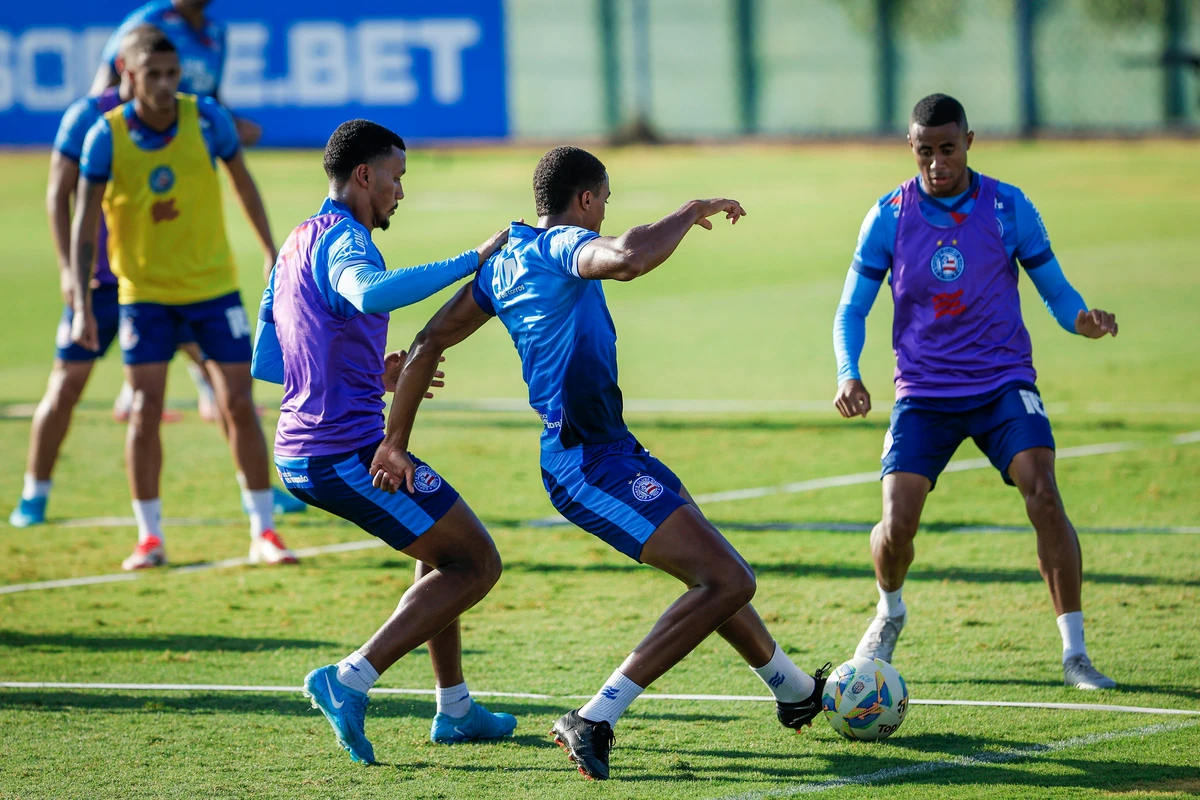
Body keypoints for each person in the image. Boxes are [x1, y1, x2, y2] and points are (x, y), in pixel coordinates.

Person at [375, 146, 830, 781]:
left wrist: (395, 442)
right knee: (727, 579)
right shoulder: (560, 244)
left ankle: (794, 690)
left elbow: (426, 342)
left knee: (711, 565)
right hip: (586, 462)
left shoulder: (502, 263)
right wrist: (692, 209)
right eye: (604, 201)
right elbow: (628, 258)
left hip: (608, 448)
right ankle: (595, 717)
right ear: (585, 200)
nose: (604, 213)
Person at [831, 94, 1120, 690]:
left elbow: (1056, 290)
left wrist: (1081, 320)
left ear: (968, 140)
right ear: (911, 149)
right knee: (897, 522)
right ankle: (890, 611)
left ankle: (1075, 653)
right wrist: (848, 372)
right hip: (924, 392)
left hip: (1002, 383)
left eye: (947, 149)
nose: (937, 163)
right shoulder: (887, 215)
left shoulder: (1009, 207)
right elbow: (851, 309)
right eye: (924, 152)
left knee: (1042, 490)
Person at [250, 119, 516, 763]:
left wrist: (372, 372)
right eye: (396, 176)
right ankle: (350, 680)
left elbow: (267, 357)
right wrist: (473, 259)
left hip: (306, 447)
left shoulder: (294, 243)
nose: (401, 191)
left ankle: (455, 709)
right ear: (364, 175)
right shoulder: (347, 242)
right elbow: (367, 292)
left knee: (441, 545)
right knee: (476, 564)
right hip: (341, 453)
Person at [8, 25, 301, 529]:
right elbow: (61, 197)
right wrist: (68, 275)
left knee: (227, 390)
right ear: (127, 67)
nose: (164, 83)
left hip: (178, 282)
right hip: (107, 282)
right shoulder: (91, 120)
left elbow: (234, 169)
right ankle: (35, 493)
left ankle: (260, 495)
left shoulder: (194, 117)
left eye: (172, 72)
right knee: (69, 383)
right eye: (153, 72)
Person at [90, 0, 261, 147]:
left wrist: (234, 124)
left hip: (193, 141)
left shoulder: (215, 33)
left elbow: (209, 94)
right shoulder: (147, 23)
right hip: (146, 140)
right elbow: (104, 90)